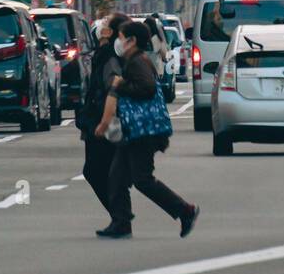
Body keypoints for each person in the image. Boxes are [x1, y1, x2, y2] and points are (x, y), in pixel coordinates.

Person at [95, 19, 199, 241]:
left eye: (122, 38)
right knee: (116, 177)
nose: (119, 42)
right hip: (136, 130)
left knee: (142, 179)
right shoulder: (134, 60)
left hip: (144, 130)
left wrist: (120, 85)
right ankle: (121, 223)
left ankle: (185, 210)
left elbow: (147, 87)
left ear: (132, 41)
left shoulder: (137, 62)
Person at [79, 13, 126, 220]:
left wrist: (105, 121)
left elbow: (112, 87)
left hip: (104, 121)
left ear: (111, 32)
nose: (101, 24)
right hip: (98, 119)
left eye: (106, 23)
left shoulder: (109, 56)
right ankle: (120, 216)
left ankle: (120, 216)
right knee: (106, 172)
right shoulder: (103, 53)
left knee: (99, 171)